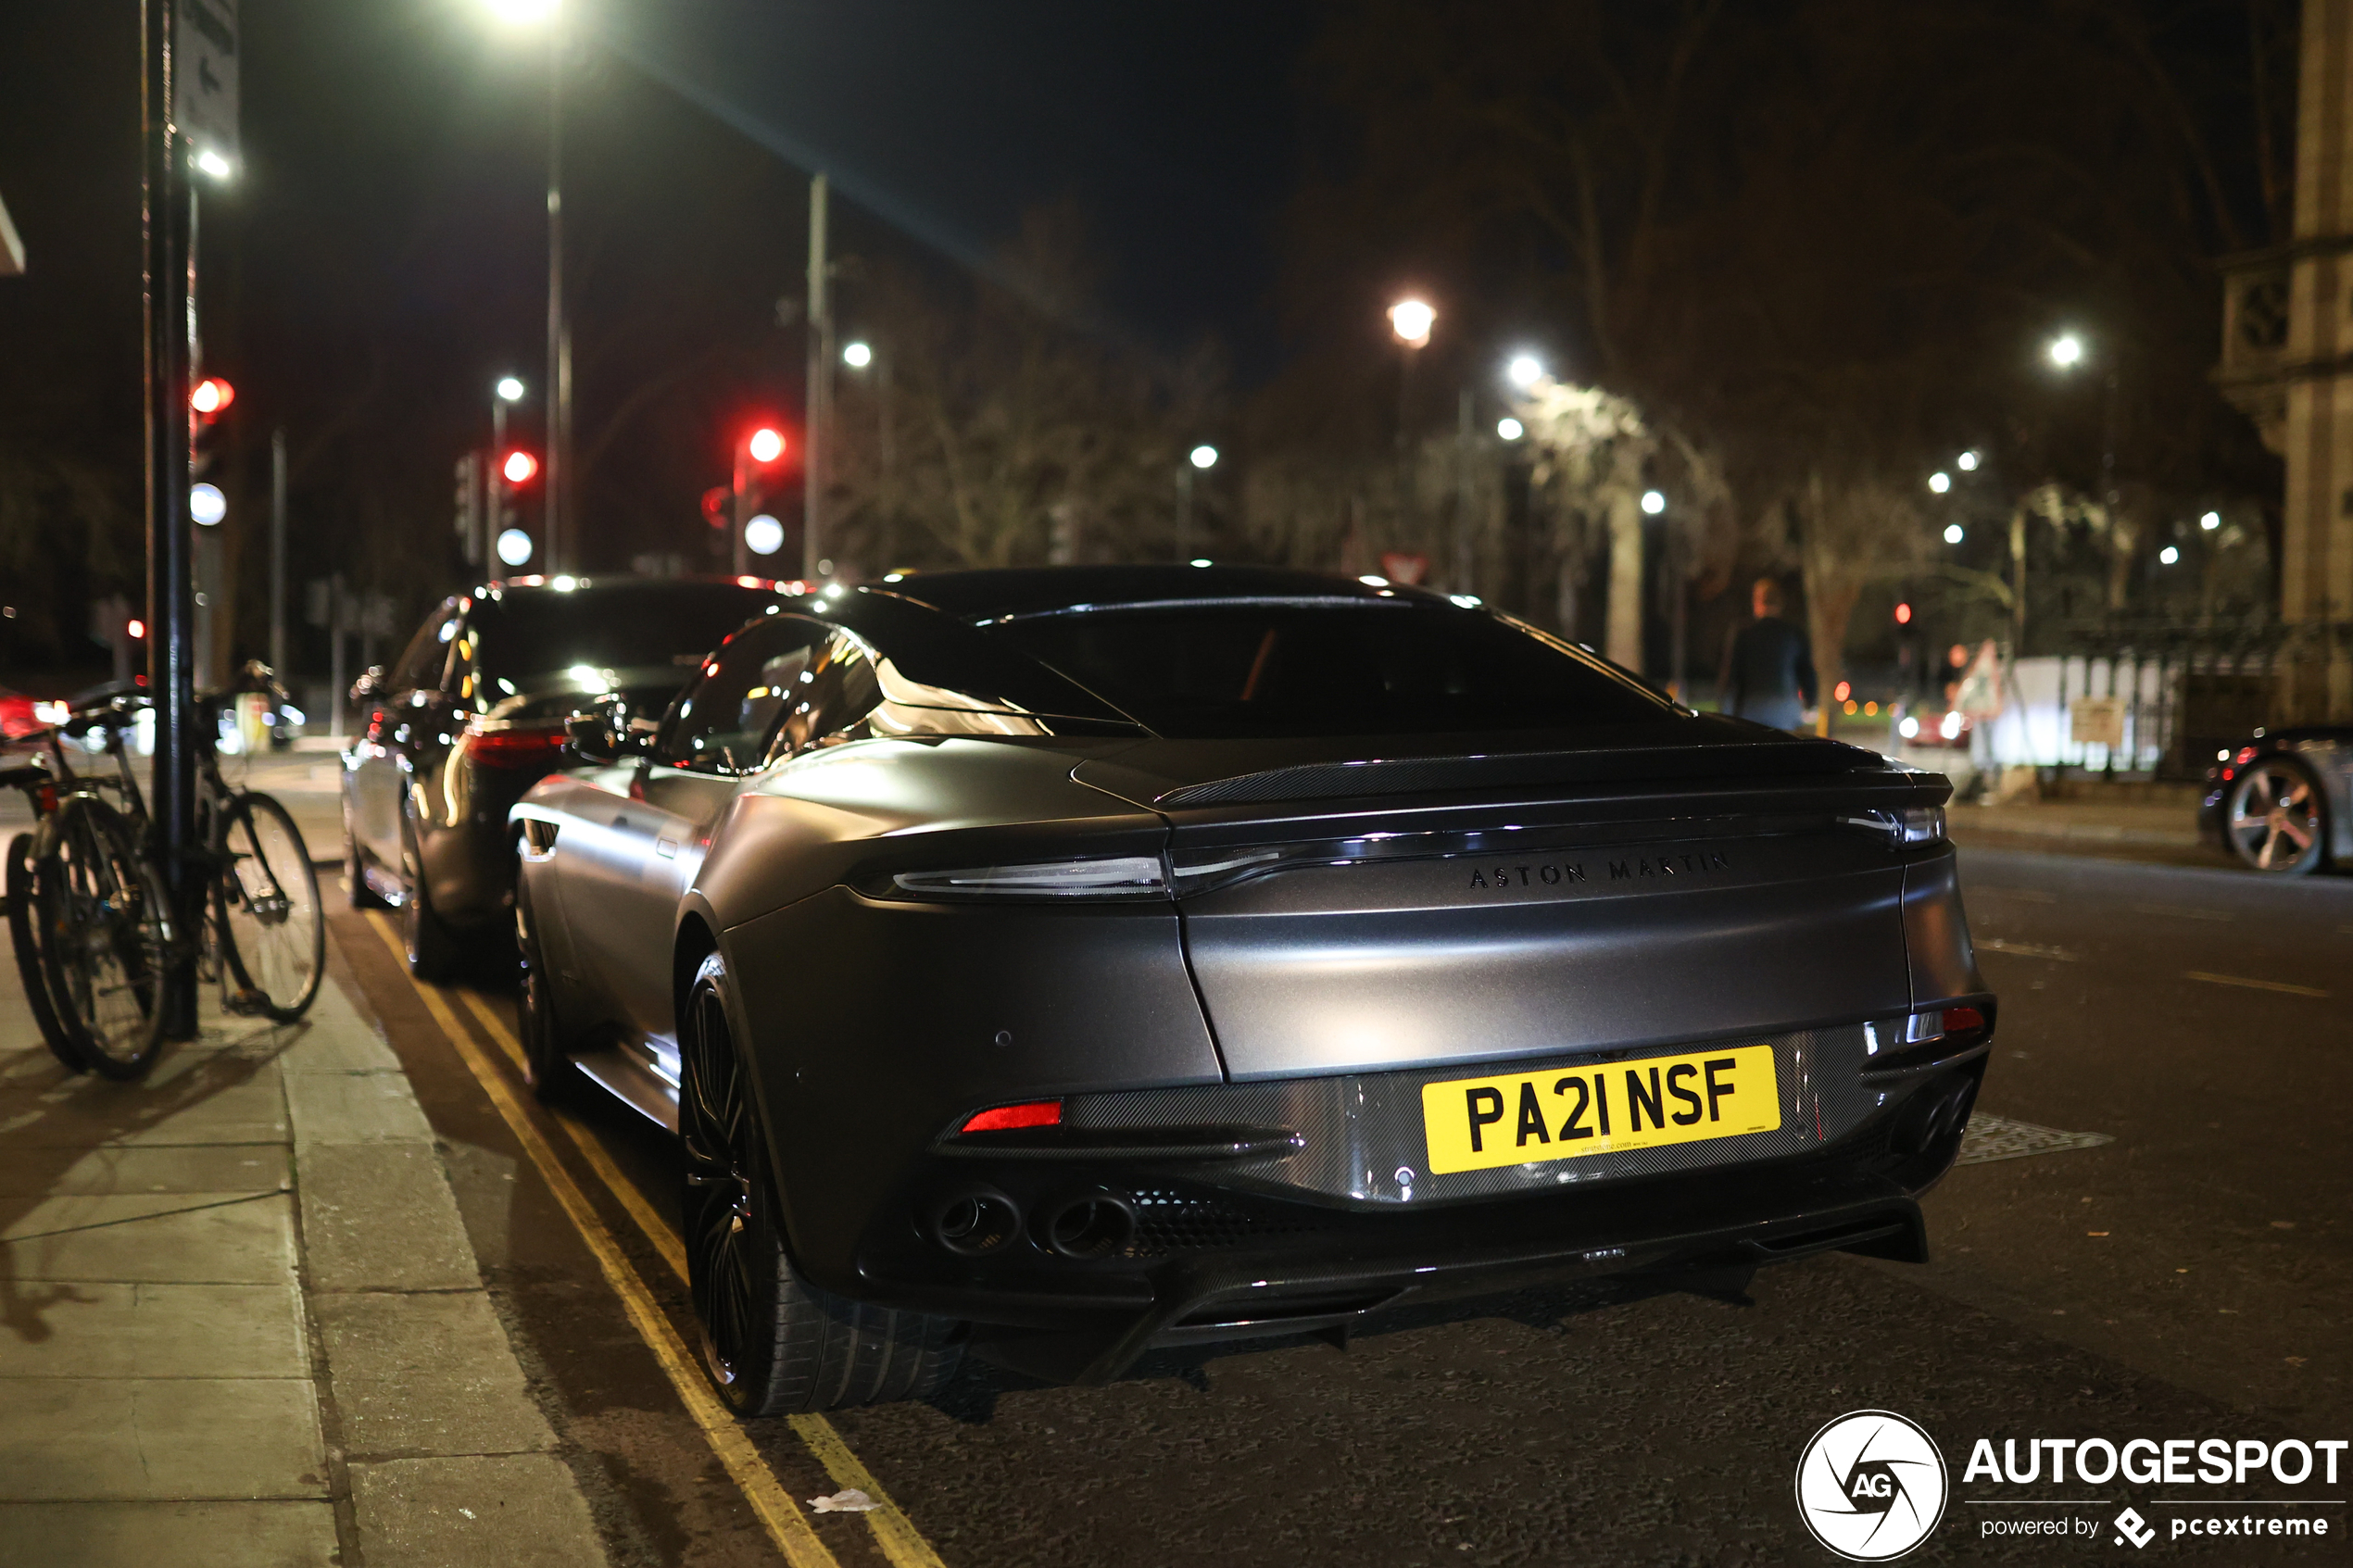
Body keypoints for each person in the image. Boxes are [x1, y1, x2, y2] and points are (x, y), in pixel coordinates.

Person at [1718, 577, 1817, 733]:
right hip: (1784, 709)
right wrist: (1809, 701)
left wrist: (1727, 709)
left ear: (1757, 602)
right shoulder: (1793, 633)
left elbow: (1731, 674)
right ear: (1780, 603)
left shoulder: (1743, 633)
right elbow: (1807, 673)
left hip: (1751, 708)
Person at [1955, 639, 2004, 796]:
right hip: (1985, 712)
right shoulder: (1985, 672)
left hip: (1987, 712)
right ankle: (1985, 780)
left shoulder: (1987, 671)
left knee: (1989, 748)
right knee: (1986, 748)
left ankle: (1989, 781)